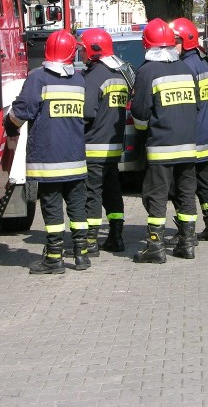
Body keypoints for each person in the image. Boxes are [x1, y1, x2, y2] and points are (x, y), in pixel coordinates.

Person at [5, 29, 90, 274]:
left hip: (49, 161)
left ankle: (54, 258)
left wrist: (9, 123)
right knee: (77, 208)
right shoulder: (79, 79)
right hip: (75, 158)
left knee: (52, 209)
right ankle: (81, 255)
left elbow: (22, 112)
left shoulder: (38, 78)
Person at [130, 18, 199, 263]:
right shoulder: (185, 69)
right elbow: (197, 107)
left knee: (156, 196)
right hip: (188, 147)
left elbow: (139, 112)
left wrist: (142, 132)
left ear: (147, 44)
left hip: (160, 147)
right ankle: (187, 244)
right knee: (186, 194)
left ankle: (155, 248)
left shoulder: (147, 71)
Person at [165, 18, 208, 245]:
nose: (172, 46)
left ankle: (186, 232)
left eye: (176, 41)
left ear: (187, 41)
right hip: (205, 136)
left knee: (182, 186)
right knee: (205, 181)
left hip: (189, 138)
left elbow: (184, 107)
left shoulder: (185, 67)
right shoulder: (204, 65)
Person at [78, 28, 132, 254]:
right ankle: (116, 236)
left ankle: (90, 242)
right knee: (113, 192)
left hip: (93, 147)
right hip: (113, 146)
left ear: (93, 50)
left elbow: (87, 112)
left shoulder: (94, 76)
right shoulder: (120, 74)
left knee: (93, 194)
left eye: (82, 49)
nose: (80, 54)